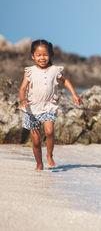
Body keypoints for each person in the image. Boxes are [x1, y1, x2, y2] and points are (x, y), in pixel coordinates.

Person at [19, 39, 82, 170]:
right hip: (32, 109)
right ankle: (39, 163)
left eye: (45, 55)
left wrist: (74, 94)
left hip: (49, 106)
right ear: (33, 56)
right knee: (35, 142)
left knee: (49, 131)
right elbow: (22, 88)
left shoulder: (54, 70)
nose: (42, 58)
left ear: (50, 55)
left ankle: (49, 155)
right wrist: (22, 99)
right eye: (39, 55)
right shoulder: (29, 71)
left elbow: (65, 81)